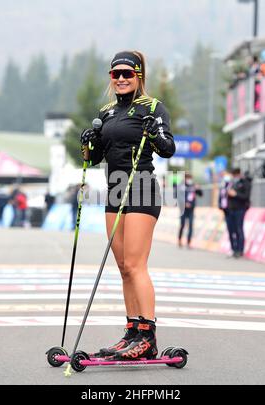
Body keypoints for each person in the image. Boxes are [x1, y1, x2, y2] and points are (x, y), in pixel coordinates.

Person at [80, 50, 175, 361]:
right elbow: (93, 159)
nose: (121, 79)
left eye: (127, 74)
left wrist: (154, 131)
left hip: (141, 189)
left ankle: (148, 336)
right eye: (115, 74)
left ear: (139, 76)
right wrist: (89, 142)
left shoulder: (152, 107)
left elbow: (167, 149)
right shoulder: (106, 112)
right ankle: (132, 331)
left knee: (135, 265)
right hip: (114, 190)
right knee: (122, 268)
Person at [227, 168, 252, 258]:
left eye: (235, 175)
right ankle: (234, 249)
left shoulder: (245, 183)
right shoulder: (232, 183)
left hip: (240, 209)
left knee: (239, 229)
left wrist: (235, 194)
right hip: (231, 209)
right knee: (232, 230)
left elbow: (246, 196)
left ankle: (240, 250)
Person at [177, 173, 203, 248]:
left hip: (191, 209)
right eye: (188, 178)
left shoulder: (193, 185)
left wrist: (198, 188)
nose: (189, 179)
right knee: (182, 225)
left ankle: (189, 242)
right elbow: (178, 197)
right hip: (183, 209)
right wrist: (184, 203)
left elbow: (200, 194)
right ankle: (179, 239)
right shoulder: (181, 186)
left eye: (190, 178)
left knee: (191, 225)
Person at [218, 171, 235, 257]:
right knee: (230, 229)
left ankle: (237, 249)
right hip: (225, 209)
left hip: (232, 209)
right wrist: (220, 205)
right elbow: (220, 196)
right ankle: (232, 248)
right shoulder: (223, 184)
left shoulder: (233, 184)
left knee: (235, 229)